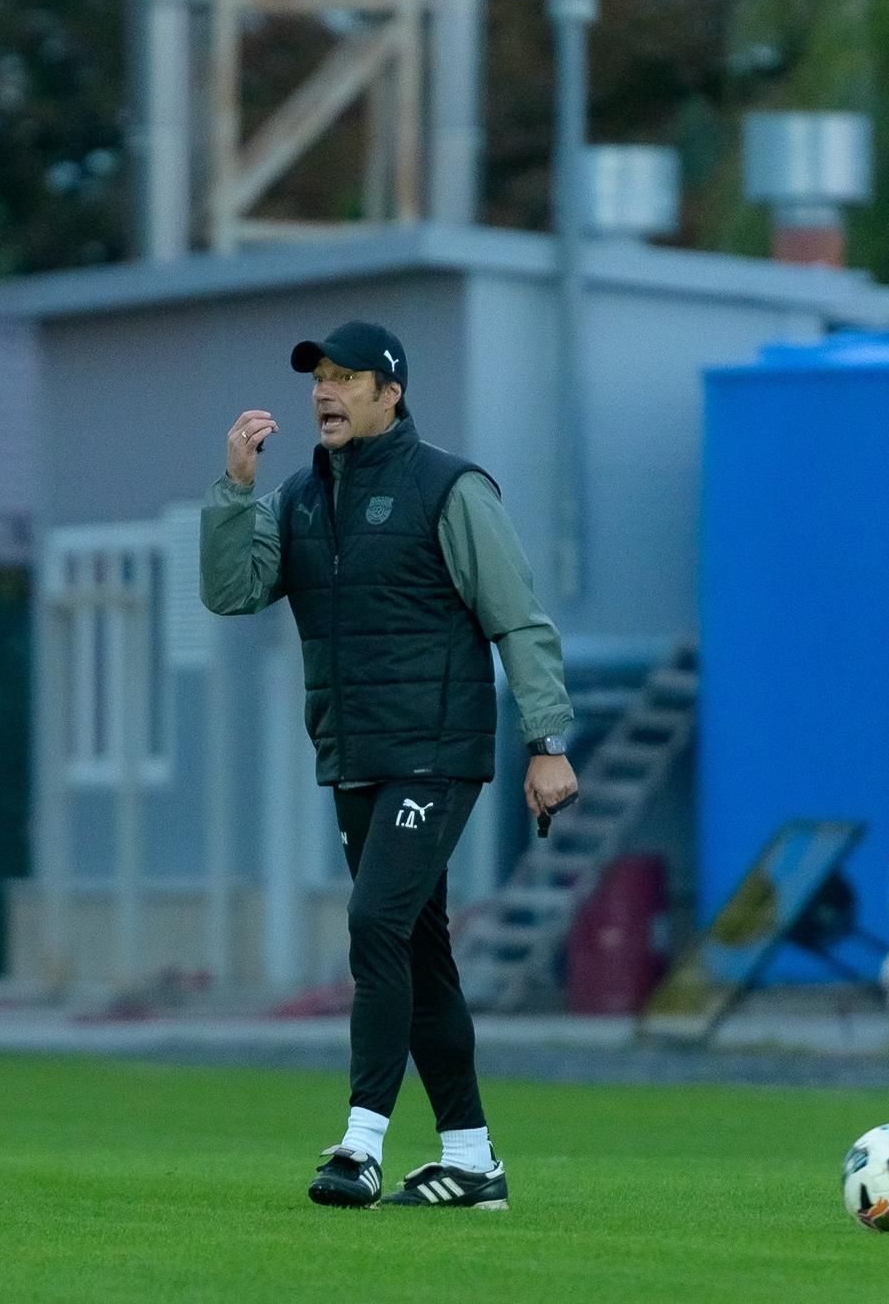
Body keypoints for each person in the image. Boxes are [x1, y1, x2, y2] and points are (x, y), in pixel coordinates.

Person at [200, 321, 577, 1210]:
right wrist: (234, 491)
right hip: (355, 754)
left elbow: (516, 616)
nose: (324, 392)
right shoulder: (297, 498)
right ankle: (473, 1161)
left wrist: (547, 743)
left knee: (374, 921)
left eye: (345, 377)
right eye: (318, 379)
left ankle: (361, 1144)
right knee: (417, 949)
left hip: (436, 751)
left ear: (391, 392)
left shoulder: (449, 487)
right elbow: (231, 592)